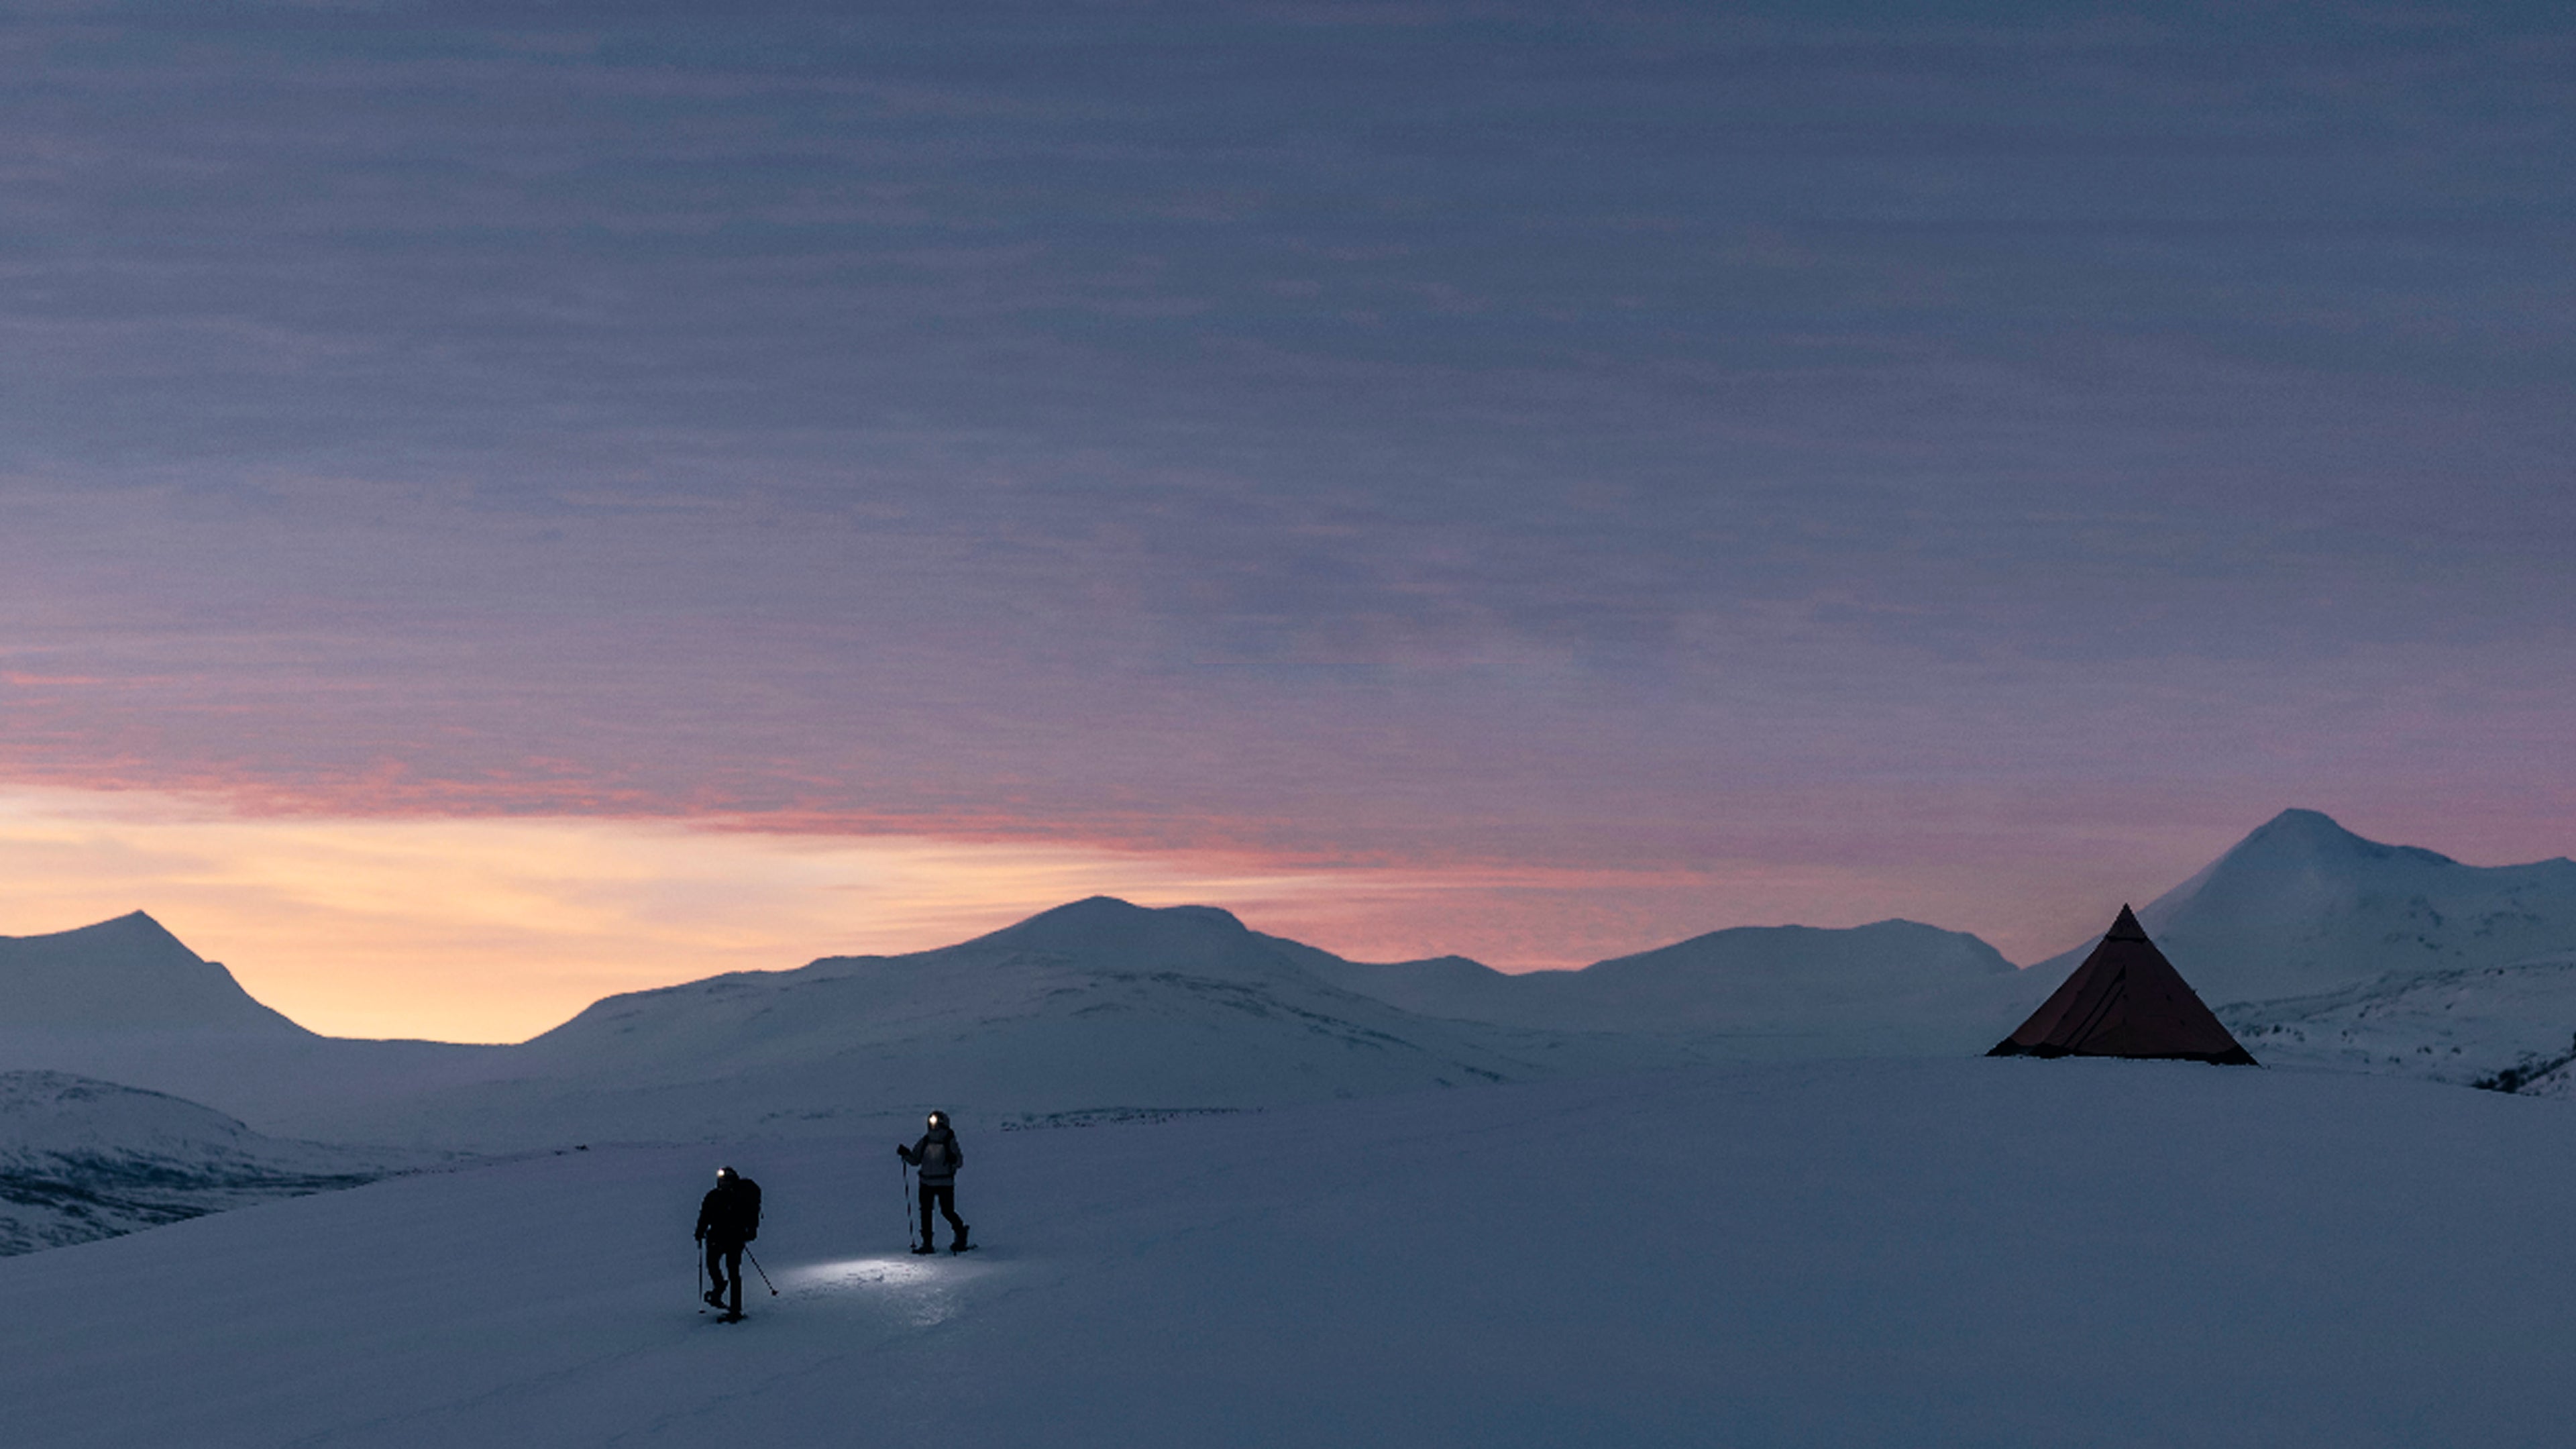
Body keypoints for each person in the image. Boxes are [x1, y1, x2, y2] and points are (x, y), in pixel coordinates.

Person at [694, 1165, 762, 1320]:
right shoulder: (712, 1196)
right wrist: (699, 1232)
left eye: (726, 1181)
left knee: (733, 1272)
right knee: (713, 1266)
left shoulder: (740, 1197)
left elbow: (751, 1216)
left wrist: (750, 1232)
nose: (723, 1184)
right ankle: (719, 1289)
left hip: (734, 1239)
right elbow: (704, 1215)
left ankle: (735, 1310)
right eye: (721, 1181)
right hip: (716, 1238)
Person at [897, 1111, 970, 1254]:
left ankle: (960, 1234)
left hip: (944, 1183)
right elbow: (915, 1160)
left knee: (946, 1211)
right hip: (927, 1183)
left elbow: (959, 1161)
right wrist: (906, 1154)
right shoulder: (925, 1141)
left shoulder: (949, 1141)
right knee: (927, 1213)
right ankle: (928, 1243)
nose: (933, 1125)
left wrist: (953, 1160)